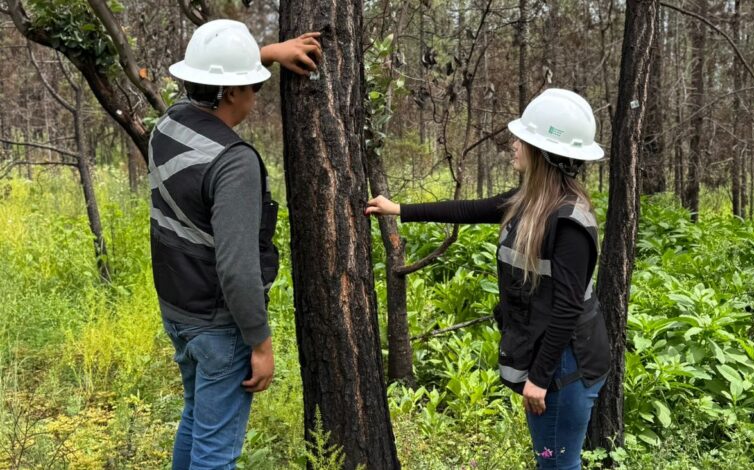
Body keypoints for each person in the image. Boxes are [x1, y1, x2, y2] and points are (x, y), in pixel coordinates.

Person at [366, 88, 611, 469]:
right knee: (554, 461)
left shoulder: (569, 224)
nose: (513, 144)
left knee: (556, 463)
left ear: (543, 151)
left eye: (522, 139)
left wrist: (540, 379)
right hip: (555, 358)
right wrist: (398, 209)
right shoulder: (531, 200)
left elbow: (567, 308)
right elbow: (472, 208)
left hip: (566, 365)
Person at [149, 20, 321, 469]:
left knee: (195, 418)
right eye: (251, 86)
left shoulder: (168, 125)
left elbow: (211, 76)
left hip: (179, 311)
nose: (254, 94)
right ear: (229, 93)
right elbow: (238, 269)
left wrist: (265, 53)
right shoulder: (234, 163)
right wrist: (260, 345)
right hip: (219, 326)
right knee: (216, 456)